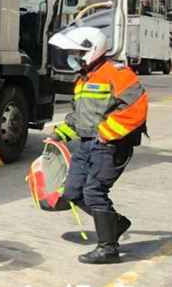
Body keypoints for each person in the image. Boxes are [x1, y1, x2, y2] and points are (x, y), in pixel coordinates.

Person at [47, 26, 148, 265]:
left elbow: (137, 106)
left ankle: (108, 248)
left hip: (110, 146)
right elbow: (80, 116)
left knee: (93, 192)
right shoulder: (84, 78)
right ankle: (116, 223)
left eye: (77, 52)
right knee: (72, 192)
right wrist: (60, 134)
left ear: (92, 50)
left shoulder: (116, 72)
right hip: (85, 145)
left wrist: (107, 133)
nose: (73, 57)